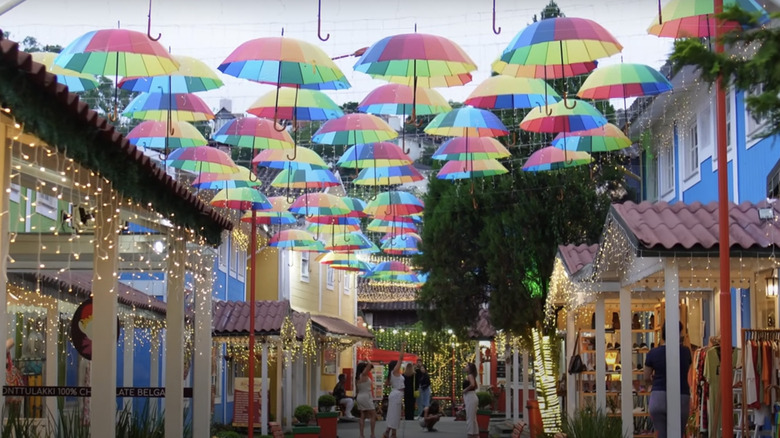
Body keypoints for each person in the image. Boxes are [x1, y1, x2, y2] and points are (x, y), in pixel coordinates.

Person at [643, 322, 692, 438]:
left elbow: (646, 376)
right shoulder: (685, 352)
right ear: (678, 333)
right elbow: (687, 370)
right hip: (681, 395)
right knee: (678, 433)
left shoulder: (653, 353)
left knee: (661, 434)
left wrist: (651, 385)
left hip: (658, 396)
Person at [382, 342, 406, 438]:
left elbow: (386, 384)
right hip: (397, 394)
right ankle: (391, 433)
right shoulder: (394, 371)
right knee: (394, 414)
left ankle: (389, 432)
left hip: (395, 394)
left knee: (394, 414)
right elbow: (400, 358)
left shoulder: (391, 374)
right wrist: (402, 347)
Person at [356, 361, 377, 438]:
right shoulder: (364, 374)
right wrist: (367, 359)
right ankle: (372, 434)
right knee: (373, 415)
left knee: (362, 415)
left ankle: (361, 434)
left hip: (360, 396)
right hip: (366, 396)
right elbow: (370, 364)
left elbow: (357, 390)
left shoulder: (357, 377)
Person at [463, 362, 479, 438]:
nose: (465, 367)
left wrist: (465, 390)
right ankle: (475, 434)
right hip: (471, 396)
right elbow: (476, 387)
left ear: (470, 368)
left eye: (467, 366)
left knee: (470, 417)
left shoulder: (470, 375)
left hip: (470, 397)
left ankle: (470, 434)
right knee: (473, 417)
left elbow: (473, 385)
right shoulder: (471, 376)